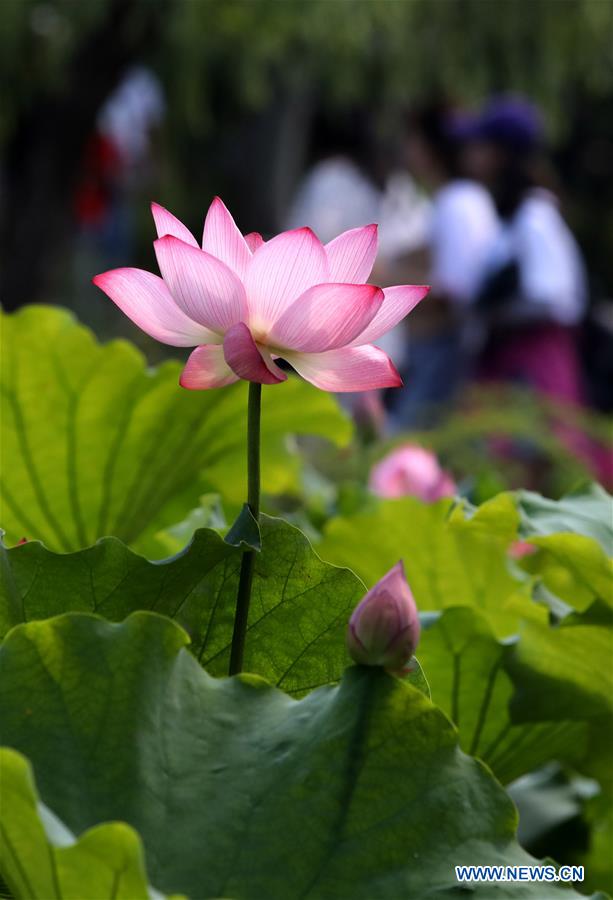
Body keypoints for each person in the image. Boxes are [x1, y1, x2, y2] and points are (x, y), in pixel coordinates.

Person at [459, 95, 588, 405]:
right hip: (507, 358)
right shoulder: (511, 215)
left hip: (531, 360)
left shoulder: (535, 215)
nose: (470, 153)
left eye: (480, 145)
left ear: (501, 154)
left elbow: (552, 296)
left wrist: (492, 305)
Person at [388, 103, 500, 431]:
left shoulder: (457, 201)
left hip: (445, 347)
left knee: (411, 437)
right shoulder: (465, 198)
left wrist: (387, 287)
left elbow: (454, 287)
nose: (406, 149)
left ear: (429, 147)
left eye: (412, 139)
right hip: (447, 346)